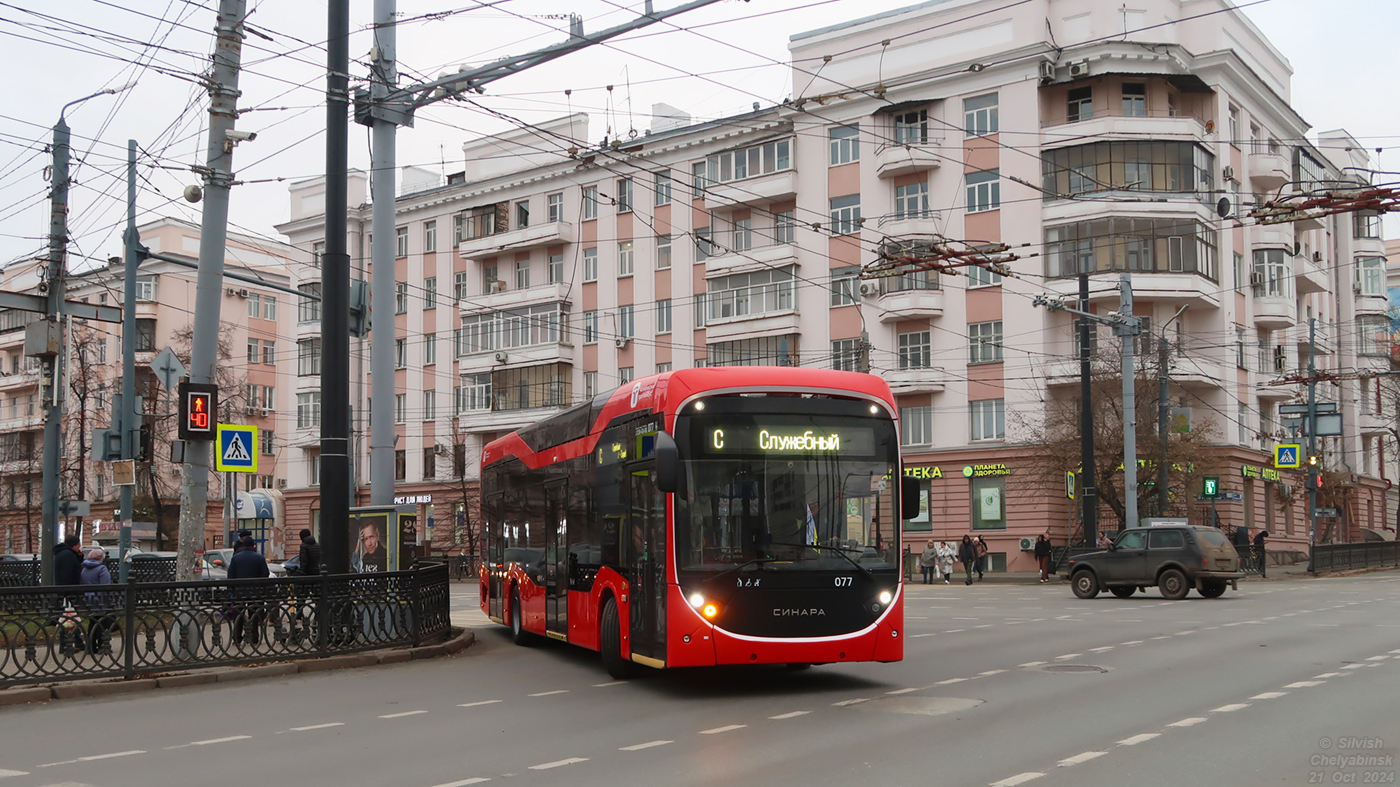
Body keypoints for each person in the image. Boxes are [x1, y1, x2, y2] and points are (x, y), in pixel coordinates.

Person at [227, 536, 270, 646]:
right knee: (254, 614)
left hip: (239, 591)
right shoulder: (259, 558)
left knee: (239, 614)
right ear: (253, 546)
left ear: (243, 545)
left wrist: (231, 590)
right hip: (255, 591)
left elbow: (230, 575)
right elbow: (265, 574)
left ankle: (237, 638)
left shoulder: (236, 558)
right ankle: (254, 637)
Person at [53, 534, 86, 655]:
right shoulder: (68, 555)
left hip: (64, 590)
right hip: (69, 591)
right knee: (68, 617)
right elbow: (70, 572)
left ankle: (77, 642)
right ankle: (66, 644)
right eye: (79, 545)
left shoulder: (63, 553)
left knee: (71, 617)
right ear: (75, 545)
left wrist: (79, 557)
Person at [80, 548, 115, 656]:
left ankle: (90, 645)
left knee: (92, 622)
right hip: (101, 599)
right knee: (102, 622)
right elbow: (106, 585)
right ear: (101, 558)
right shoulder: (102, 569)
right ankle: (102, 645)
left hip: (89, 599)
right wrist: (111, 599)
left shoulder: (84, 569)